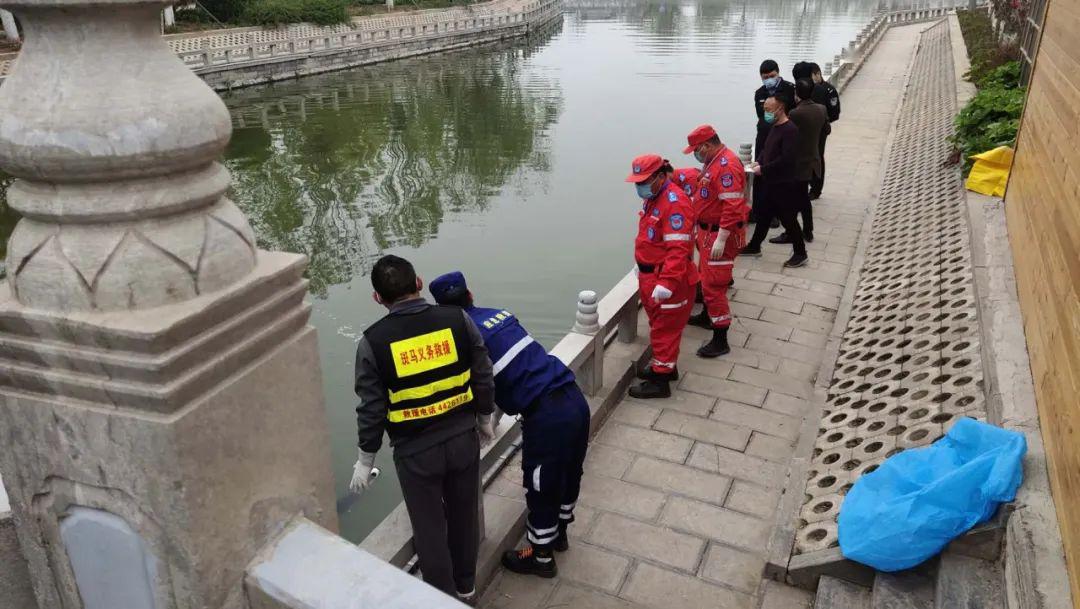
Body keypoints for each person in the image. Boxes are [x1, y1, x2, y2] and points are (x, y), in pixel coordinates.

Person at [351, 255, 497, 606]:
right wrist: (483, 416)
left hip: (416, 453)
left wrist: (363, 458)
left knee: (430, 530)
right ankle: (467, 590)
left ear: (377, 298)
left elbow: (372, 409)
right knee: (464, 518)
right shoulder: (457, 319)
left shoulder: (373, 342)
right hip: (463, 439)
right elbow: (482, 371)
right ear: (419, 283)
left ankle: (443, 600)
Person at [428, 272, 591, 580]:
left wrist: (484, 419)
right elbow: (511, 367)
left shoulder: (461, 336)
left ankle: (541, 556)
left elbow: (482, 384)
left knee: (541, 483)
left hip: (547, 415)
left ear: (443, 310)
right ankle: (559, 533)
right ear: (471, 295)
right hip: (573, 398)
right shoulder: (499, 315)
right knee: (569, 472)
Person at [626, 154, 697, 398]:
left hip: (667, 279)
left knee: (664, 331)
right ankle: (666, 368)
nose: (639, 187)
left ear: (659, 176)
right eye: (636, 182)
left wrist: (667, 282)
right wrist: (640, 264)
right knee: (658, 325)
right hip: (650, 275)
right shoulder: (655, 198)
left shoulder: (674, 203)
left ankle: (661, 382)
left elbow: (678, 250)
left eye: (643, 181)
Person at [682, 124, 748, 358]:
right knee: (705, 275)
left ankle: (721, 339)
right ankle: (706, 316)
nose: (696, 155)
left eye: (697, 150)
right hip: (707, 231)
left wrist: (721, 238)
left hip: (719, 234)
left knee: (713, 286)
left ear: (707, 145)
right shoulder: (714, 161)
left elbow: (732, 206)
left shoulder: (726, 165)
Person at [740, 96, 809, 268]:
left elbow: (786, 160)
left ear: (780, 109)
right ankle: (755, 246)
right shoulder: (775, 127)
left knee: (788, 219)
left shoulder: (790, 130)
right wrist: (759, 161)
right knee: (764, 215)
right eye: (765, 110)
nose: (767, 113)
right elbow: (766, 148)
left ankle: (800, 253)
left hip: (784, 184)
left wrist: (763, 169)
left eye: (770, 110)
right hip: (770, 182)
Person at [771, 78, 829, 244]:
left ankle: (792, 233)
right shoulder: (821, 109)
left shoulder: (795, 114)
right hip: (813, 160)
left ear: (796, 95)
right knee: (803, 199)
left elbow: (785, 134)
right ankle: (808, 231)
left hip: (798, 164)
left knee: (791, 200)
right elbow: (827, 130)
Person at [753, 59, 796, 227]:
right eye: (765, 77)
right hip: (764, 137)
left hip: (783, 136)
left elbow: (792, 113)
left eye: (772, 76)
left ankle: (776, 213)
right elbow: (761, 115)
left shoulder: (790, 89)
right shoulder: (759, 93)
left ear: (778, 73)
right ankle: (758, 210)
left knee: (778, 173)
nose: (769, 79)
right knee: (759, 172)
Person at [794, 62, 841, 198]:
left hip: (815, 130)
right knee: (814, 157)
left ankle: (814, 188)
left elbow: (833, 113)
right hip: (814, 129)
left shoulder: (823, 90)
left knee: (815, 157)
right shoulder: (808, 89)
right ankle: (812, 187)